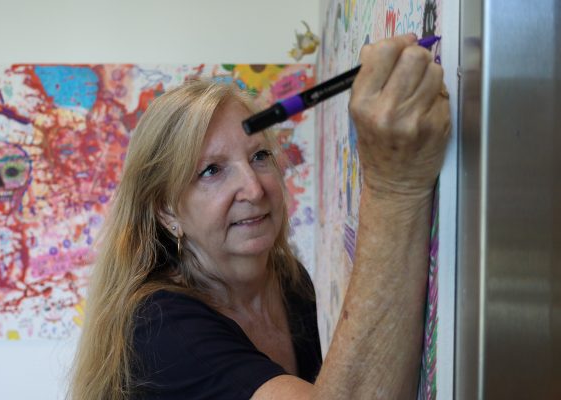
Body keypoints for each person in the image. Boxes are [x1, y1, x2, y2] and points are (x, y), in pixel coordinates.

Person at [70, 33, 450, 400]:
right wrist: (393, 185)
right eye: (211, 171)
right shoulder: (159, 328)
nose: (254, 189)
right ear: (167, 210)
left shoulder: (289, 283)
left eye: (259, 157)